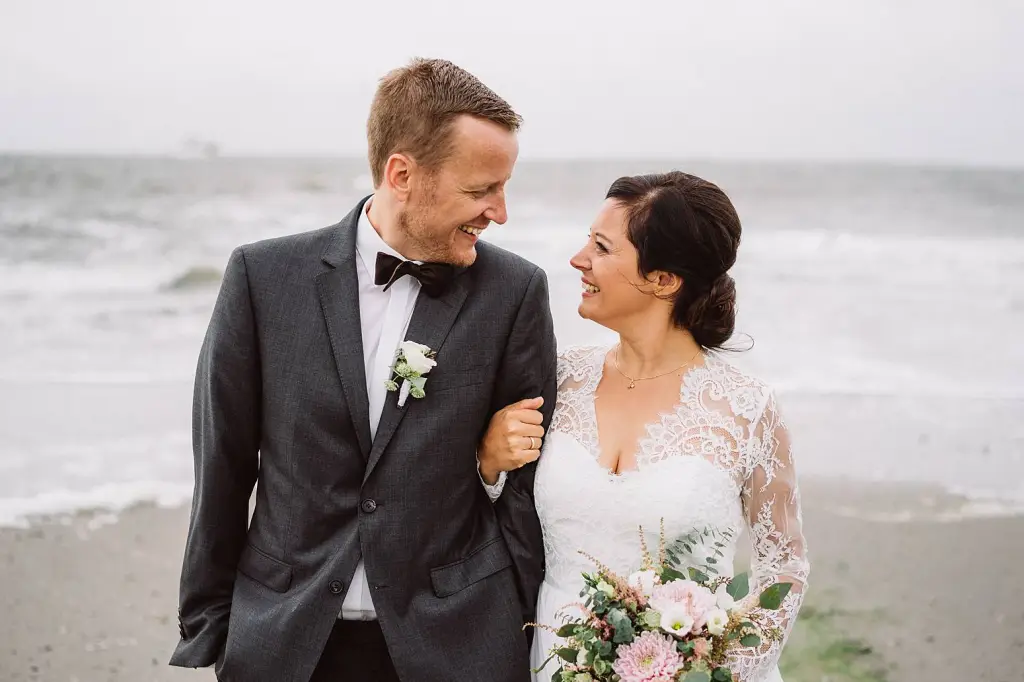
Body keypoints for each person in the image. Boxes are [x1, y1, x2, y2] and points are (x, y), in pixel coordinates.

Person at [170, 58, 556, 682]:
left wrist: (525, 626)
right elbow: (222, 461)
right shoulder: (263, 279)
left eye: (504, 187)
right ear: (402, 173)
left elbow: (526, 485)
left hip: (458, 643)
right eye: (481, 190)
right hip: (286, 637)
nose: (500, 212)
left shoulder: (514, 292)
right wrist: (211, 622)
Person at [478, 171, 811, 682]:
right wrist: (488, 464)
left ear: (663, 280)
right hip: (550, 666)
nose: (578, 259)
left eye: (602, 248)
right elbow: (498, 522)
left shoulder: (748, 409)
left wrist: (720, 669)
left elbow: (783, 567)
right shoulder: (557, 378)